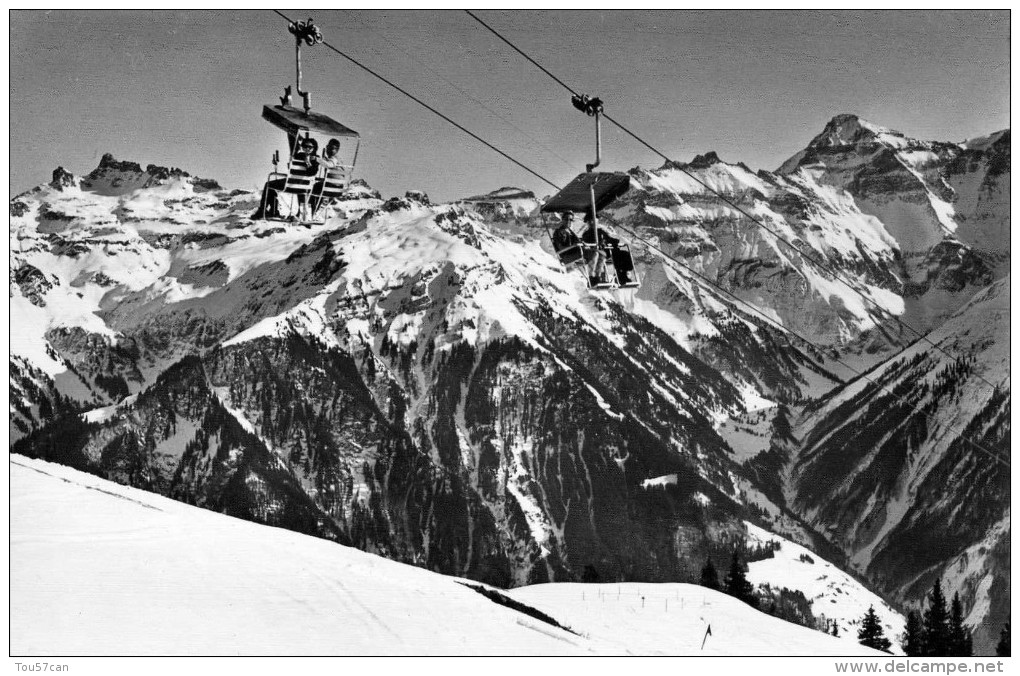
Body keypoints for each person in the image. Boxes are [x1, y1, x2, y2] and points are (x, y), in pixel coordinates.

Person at [252, 136, 320, 220]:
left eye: (310, 147)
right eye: (305, 146)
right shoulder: (314, 158)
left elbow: (310, 172)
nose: (307, 149)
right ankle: (274, 211)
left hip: (293, 184)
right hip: (304, 186)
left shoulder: (302, 156)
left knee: (269, 185)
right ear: (302, 147)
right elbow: (312, 172)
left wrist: (307, 162)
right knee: (299, 188)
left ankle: (266, 211)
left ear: (314, 148)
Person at [582, 212, 634, 285]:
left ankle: (622, 275)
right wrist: (598, 244)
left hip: (606, 250)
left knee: (624, 254)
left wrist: (607, 241)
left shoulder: (601, 231)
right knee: (600, 255)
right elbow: (587, 243)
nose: (592, 222)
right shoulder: (587, 233)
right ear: (587, 222)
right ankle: (594, 279)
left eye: (594, 220)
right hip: (595, 251)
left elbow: (610, 239)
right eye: (590, 220)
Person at [310, 138, 343, 215]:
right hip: (337, 187)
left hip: (333, 187)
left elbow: (329, 164)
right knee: (318, 188)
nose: (330, 150)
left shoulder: (335, 158)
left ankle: (312, 212)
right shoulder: (337, 158)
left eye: (332, 148)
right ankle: (313, 211)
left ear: (337, 150)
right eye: (329, 147)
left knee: (314, 188)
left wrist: (317, 159)